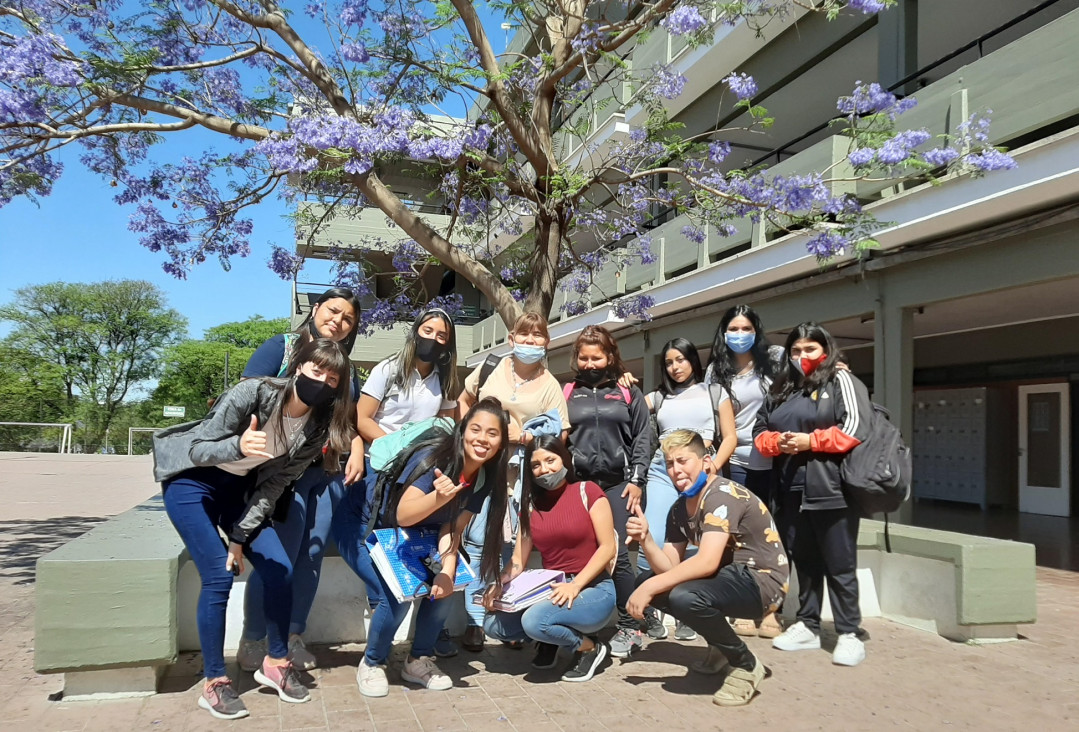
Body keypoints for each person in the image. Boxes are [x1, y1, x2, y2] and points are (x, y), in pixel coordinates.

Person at [152, 338, 354, 720]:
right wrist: (238, 446)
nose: (322, 381)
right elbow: (197, 448)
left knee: (280, 569)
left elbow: (273, 486)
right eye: (316, 371)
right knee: (217, 574)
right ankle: (214, 682)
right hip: (191, 484)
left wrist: (241, 536)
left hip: (237, 493)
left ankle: (276, 662)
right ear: (297, 368)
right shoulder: (253, 392)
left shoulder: (316, 428)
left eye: (332, 378)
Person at [333, 398, 511, 697]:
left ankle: (418, 661)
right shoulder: (435, 459)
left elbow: (453, 527)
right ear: (463, 430)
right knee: (396, 594)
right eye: (476, 429)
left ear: (502, 441)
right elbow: (404, 513)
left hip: (416, 533)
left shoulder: (484, 477)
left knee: (444, 590)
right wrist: (440, 498)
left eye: (492, 433)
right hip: (363, 525)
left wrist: (447, 571)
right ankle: (373, 662)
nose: (482, 439)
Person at [237, 287, 364, 672]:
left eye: (348, 319)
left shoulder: (348, 368)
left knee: (310, 557)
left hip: (324, 476)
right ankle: (254, 638)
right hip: (279, 476)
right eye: (333, 311)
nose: (338, 321)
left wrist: (356, 446)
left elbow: (347, 422)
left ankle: (293, 636)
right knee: (279, 561)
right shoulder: (282, 347)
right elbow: (244, 402)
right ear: (316, 309)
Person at [626, 430, 789, 707]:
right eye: (669, 463)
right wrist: (647, 540)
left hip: (763, 583)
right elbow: (668, 568)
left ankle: (745, 664)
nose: (675, 470)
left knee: (682, 596)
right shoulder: (679, 508)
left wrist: (649, 587)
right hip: (730, 579)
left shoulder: (721, 494)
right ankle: (720, 646)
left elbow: (707, 561)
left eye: (683, 461)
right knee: (649, 579)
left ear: (705, 461)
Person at [340, 306, 460, 655]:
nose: (433, 339)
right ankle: (383, 603)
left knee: (422, 534)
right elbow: (361, 417)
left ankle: (431, 628)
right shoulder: (389, 369)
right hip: (382, 461)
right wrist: (393, 450)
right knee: (382, 533)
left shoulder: (444, 379)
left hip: (419, 469)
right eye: (428, 331)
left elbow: (448, 425)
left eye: (441, 336)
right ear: (415, 331)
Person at [754, 321, 873, 667]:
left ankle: (850, 632)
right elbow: (761, 429)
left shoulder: (842, 381)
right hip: (790, 490)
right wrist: (777, 443)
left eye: (810, 349)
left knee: (839, 563)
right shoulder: (782, 389)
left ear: (825, 350)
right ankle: (807, 625)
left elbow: (854, 428)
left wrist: (811, 441)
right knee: (803, 559)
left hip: (832, 488)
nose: (802, 356)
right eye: (796, 350)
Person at [457, 312, 570, 651]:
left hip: (520, 475)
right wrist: (472, 433)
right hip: (484, 468)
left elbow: (560, 436)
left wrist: (524, 439)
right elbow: (464, 401)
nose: (530, 342)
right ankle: (476, 622)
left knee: (512, 547)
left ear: (547, 342)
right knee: (477, 542)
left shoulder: (550, 385)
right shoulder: (491, 368)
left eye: (537, 336)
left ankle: (506, 619)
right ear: (511, 338)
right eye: (524, 335)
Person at [482, 436, 617, 682]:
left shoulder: (588, 491)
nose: (544, 469)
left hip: (593, 588)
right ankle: (550, 638)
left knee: (534, 621)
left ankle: (589, 648)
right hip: (551, 589)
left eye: (550, 460)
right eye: (536, 465)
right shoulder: (531, 505)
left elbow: (607, 547)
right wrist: (498, 584)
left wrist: (575, 585)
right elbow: (517, 561)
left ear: (564, 459)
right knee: (493, 624)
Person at [640, 337, 737, 643]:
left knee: (696, 539)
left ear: (693, 360)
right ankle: (651, 610)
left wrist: (712, 466)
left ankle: (689, 610)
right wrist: (625, 381)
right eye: (669, 362)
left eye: (680, 359)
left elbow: (730, 437)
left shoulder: (714, 391)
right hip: (662, 467)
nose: (675, 367)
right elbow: (627, 407)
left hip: (701, 468)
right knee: (654, 535)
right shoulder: (658, 397)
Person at [564, 325, 653, 659]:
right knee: (582, 554)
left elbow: (644, 437)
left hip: (618, 483)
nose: (590, 363)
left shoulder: (628, 391)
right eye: (584, 357)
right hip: (581, 484)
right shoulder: (569, 391)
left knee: (616, 556)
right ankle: (583, 622)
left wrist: (637, 480)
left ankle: (631, 626)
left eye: (596, 357)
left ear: (610, 356)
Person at [704, 304, 784, 639]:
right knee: (738, 539)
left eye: (746, 329)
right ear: (724, 333)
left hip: (774, 460)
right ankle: (745, 607)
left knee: (772, 538)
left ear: (757, 331)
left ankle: (771, 611)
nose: (739, 335)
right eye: (733, 329)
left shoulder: (775, 361)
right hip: (734, 463)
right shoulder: (715, 372)